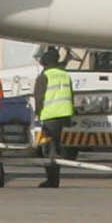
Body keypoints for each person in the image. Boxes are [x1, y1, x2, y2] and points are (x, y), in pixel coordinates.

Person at [34, 46, 78, 188]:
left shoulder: (44, 76)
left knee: (48, 149)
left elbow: (39, 98)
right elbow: (71, 95)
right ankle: (55, 179)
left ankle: (52, 180)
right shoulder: (65, 74)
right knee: (57, 148)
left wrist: (38, 113)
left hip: (50, 116)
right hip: (64, 116)